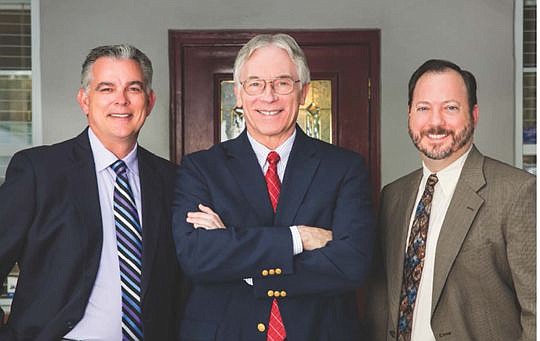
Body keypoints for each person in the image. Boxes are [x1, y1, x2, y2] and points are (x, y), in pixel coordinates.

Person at [172, 33, 374, 340]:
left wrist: (237, 254)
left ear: (303, 92)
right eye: (255, 84)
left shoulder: (345, 168)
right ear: (238, 93)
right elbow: (197, 257)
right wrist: (297, 238)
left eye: (282, 83)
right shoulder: (201, 168)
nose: (269, 97)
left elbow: (351, 263)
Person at [0, 44, 182, 340]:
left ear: (149, 101)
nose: (121, 100)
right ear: (84, 100)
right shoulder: (39, 171)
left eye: (133, 89)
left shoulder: (172, 179)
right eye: (106, 89)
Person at [366, 59, 536, 341]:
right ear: (409, 114)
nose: (435, 122)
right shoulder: (393, 196)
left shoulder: (517, 192)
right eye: (423, 108)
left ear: (474, 114)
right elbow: (380, 300)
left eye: (450, 108)